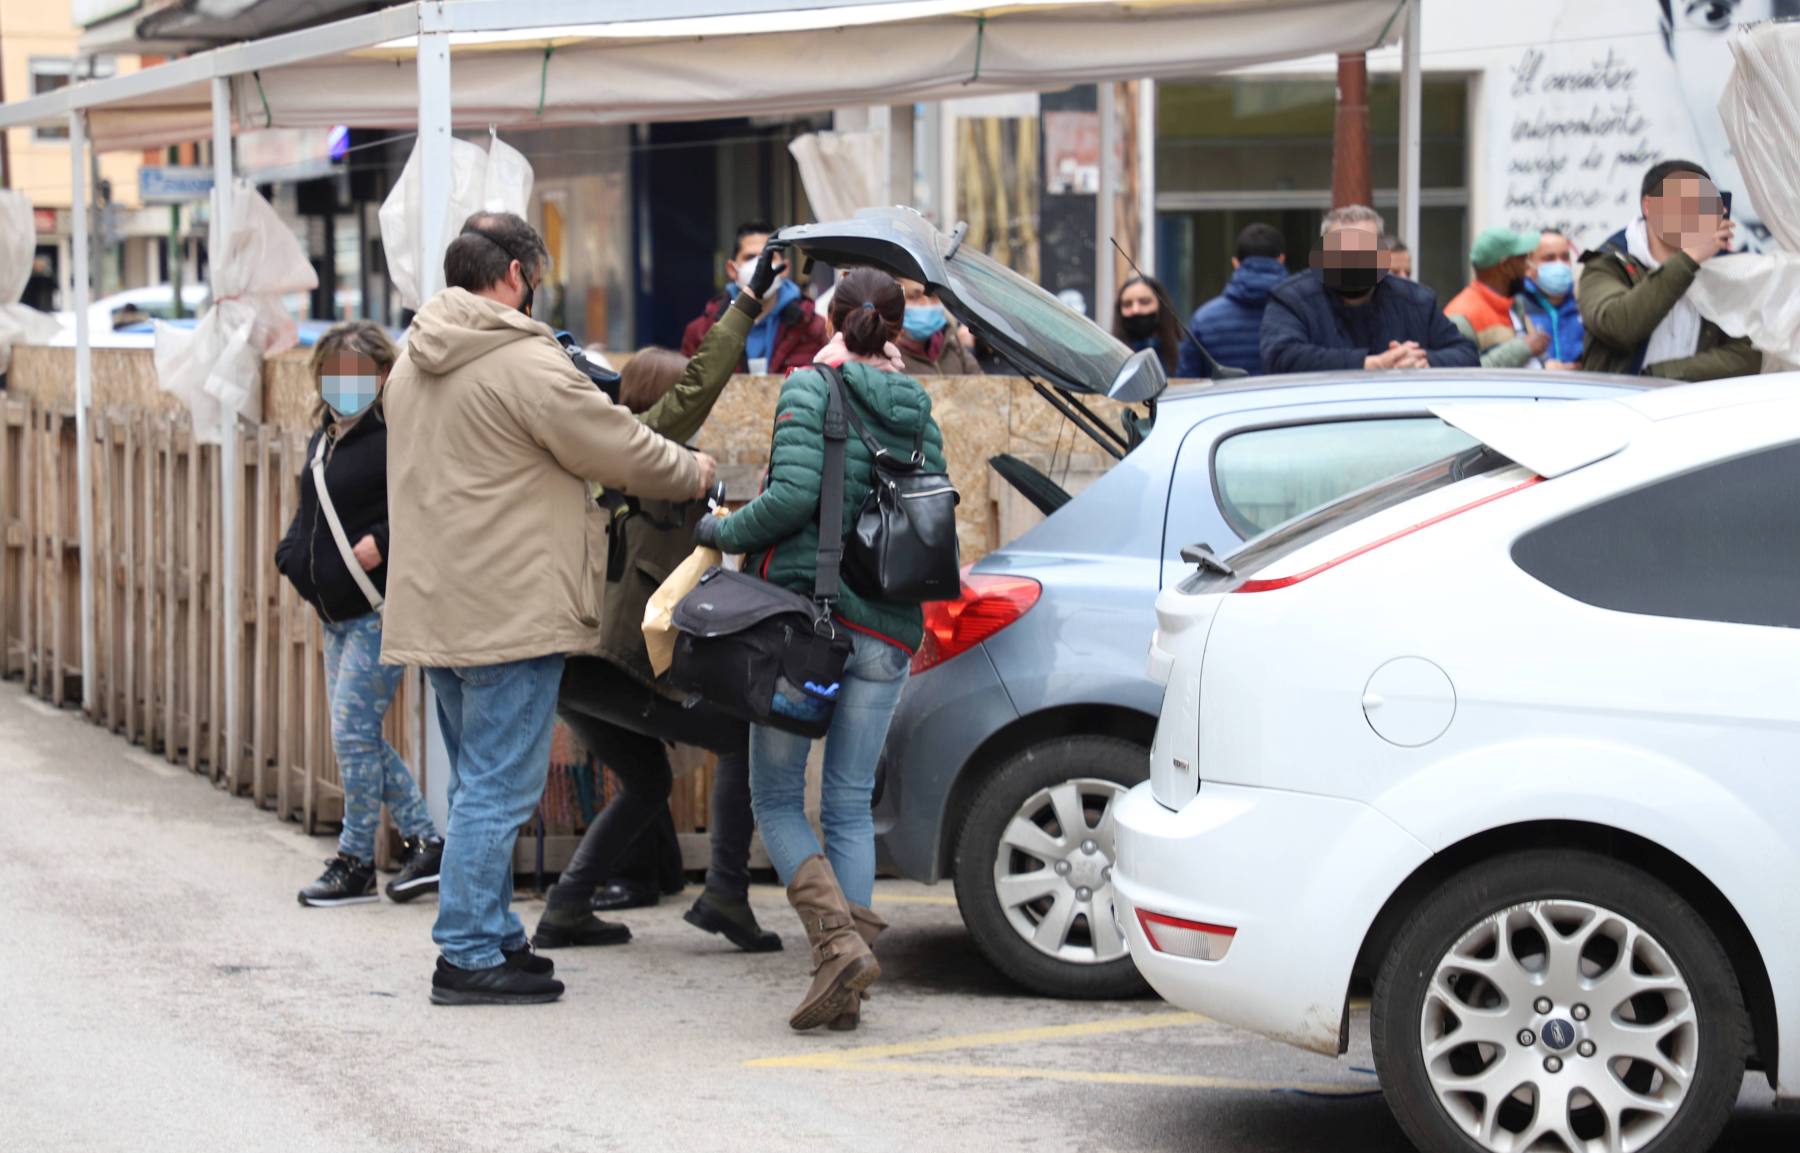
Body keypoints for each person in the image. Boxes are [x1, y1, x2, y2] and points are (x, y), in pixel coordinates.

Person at [381, 211, 717, 1007]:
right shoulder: (522, 363)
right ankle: (465, 952)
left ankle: (496, 932)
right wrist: (696, 472)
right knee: (499, 788)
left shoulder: (413, 359)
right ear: (512, 278)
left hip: (442, 603)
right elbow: (618, 445)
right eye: (537, 277)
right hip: (508, 605)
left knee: (476, 784)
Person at [694, 267, 945, 1032]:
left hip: (810, 631)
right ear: (900, 327)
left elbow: (793, 499)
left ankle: (837, 946)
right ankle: (852, 975)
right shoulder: (918, 405)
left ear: (833, 315)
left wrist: (718, 531)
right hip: (890, 629)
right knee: (845, 802)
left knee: (775, 795)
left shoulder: (810, 387)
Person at [534, 248, 788, 955]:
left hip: (582, 663)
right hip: (616, 660)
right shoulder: (639, 454)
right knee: (741, 738)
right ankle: (727, 894)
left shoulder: (624, 463)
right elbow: (697, 390)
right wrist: (744, 304)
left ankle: (566, 908)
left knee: (646, 779)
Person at [276, 321, 443, 909]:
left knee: (350, 731)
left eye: (357, 374)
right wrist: (291, 554)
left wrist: (384, 542)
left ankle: (354, 860)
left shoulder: (395, 433)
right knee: (358, 733)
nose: (344, 385)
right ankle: (426, 841)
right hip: (334, 612)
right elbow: (311, 509)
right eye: (334, 373)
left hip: (378, 609)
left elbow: (430, 502)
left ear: (382, 375)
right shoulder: (323, 439)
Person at [1578, 160, 1759, 381]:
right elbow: (1619, 326)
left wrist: (1660, 375)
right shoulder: (1607, 262)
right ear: (1649, 207)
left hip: (1694, 406)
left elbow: (1748, 354)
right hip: (1621, 405)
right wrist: (1688, 258)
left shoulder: (1720, 268)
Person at [1260, 205, 1478, 374]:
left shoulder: (1416, 301)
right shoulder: (1291, 299)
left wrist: (1418, 360)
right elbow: (1280, 356)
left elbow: (1467, 355)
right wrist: (1369, 364)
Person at [681, 221, 828, 376]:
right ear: (732, 269)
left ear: (785, 268)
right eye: (750, 257)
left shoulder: (812, 327)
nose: (760, 265)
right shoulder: (701, 331)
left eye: (769, 255)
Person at [1179, 223, 1288, 377]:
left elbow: (1188, 382)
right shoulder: (1304, 312)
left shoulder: (1204, 319)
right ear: (1281, 259)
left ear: (1236, 263)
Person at [1444, 228, 1550, 369]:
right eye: (1523, 259)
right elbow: (1461, 374)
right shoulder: (1461, 316)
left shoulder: (1513, 305)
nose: (1528, 267)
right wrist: (1522, 348)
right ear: (1505, 266)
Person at [1517, 229, 1584, 370]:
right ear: (1529, 266)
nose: (1559, 265)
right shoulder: (1517, 308)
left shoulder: (1584, 305)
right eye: (1549, 258)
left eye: (1565, 257)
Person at [895, 278, 981, 375]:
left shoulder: (951, 342)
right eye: (915, 297)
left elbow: (983, 384)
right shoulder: (886, 357)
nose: (927, 305)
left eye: (933, 296)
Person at [1113, 274, 1181, 376]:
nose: (1135, 310)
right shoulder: (1110, 357)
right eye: (1127, 304)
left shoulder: (1183, 353)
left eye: (1144, 302)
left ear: (1161, 307)